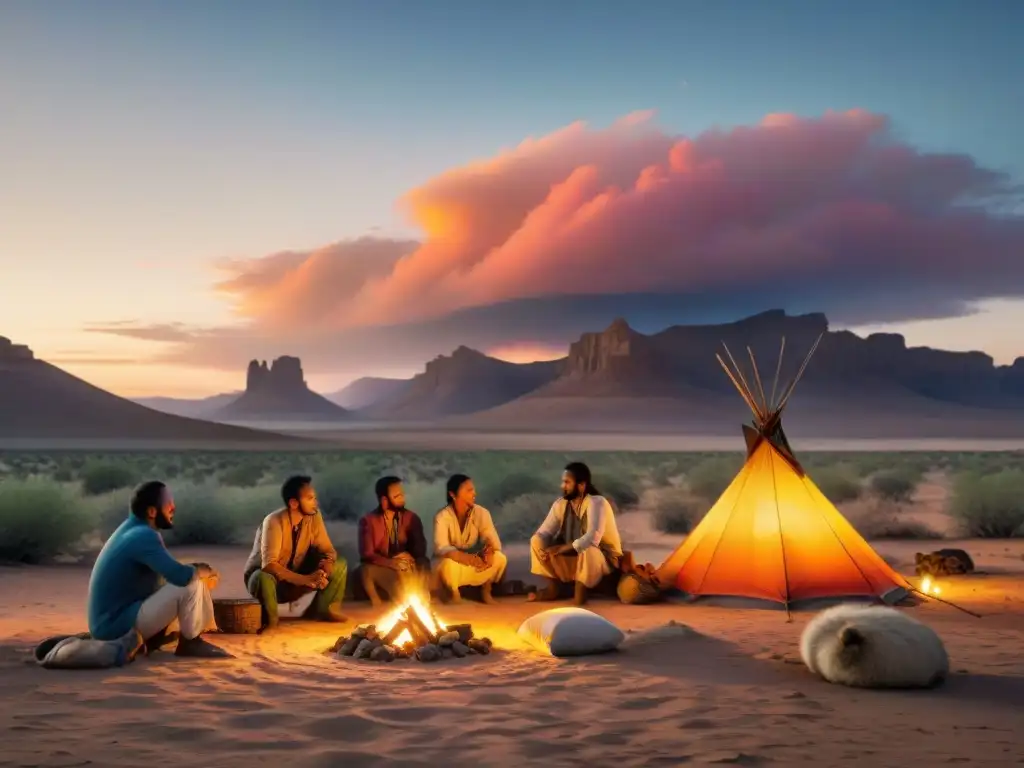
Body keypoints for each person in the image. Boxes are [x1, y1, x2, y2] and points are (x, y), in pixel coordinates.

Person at [87, 480, 229, 658]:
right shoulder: (144, 535)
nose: (173, 507)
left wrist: (196, 570)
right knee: (190, 583)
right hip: (115, 627)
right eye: (168, 503)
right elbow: (181, 577)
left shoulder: (132, 529)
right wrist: (204, 571)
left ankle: (164, 639)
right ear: (152, 511)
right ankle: (191, 643)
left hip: (112, 621)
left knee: (192, 578)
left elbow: (167, 574)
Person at [243, 475, 348, 630]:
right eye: (310, 498)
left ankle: (325, 610)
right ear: (293, 503)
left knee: (340, 564)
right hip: (269, 584)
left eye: (315, 498)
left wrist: (327, 564)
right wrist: (306, 579)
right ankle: (270, 620)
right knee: (262, 576)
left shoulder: (313, 516)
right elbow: (269, 565)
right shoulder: (273, 521)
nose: (315, 503)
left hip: (296, 579)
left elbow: (328, 550)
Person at [529, 462, 623, 606]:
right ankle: (553, 587)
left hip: (603, 562)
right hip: (573, 558)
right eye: (563, 482)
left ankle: (581, 591)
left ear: (581, 485)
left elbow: (593, 537)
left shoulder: (597, 502)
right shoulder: (560, 504)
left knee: (589, 548)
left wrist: (561, 548)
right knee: (536, 540)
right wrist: (545, 546)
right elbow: (544, 532)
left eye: (567, 482)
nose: (562, 486)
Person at [432, 474, 507, 604]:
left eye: (473, 489)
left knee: (500, 558)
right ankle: (453, 593)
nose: (474, 493)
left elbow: (492, 540)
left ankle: (486, 590)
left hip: (476, 564)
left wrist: (489, 552)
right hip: (456, 565)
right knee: (447, 565)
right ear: (453, 494)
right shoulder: (442, 517)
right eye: (469, 490)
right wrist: (469, 559)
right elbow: (442, 548)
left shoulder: (482, 513)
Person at [356, 476, 430, 607]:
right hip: (381, 566)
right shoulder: (368, 521)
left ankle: (419, 596)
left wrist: (409, 556)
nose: (402, 499)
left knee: (423, 563)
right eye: (397, 496)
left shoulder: (411, 518)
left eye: (402, 494)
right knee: (365, 570)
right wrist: (391, 562)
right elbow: (367, 554)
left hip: (405, 565)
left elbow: (420, 548)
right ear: (384, 500)